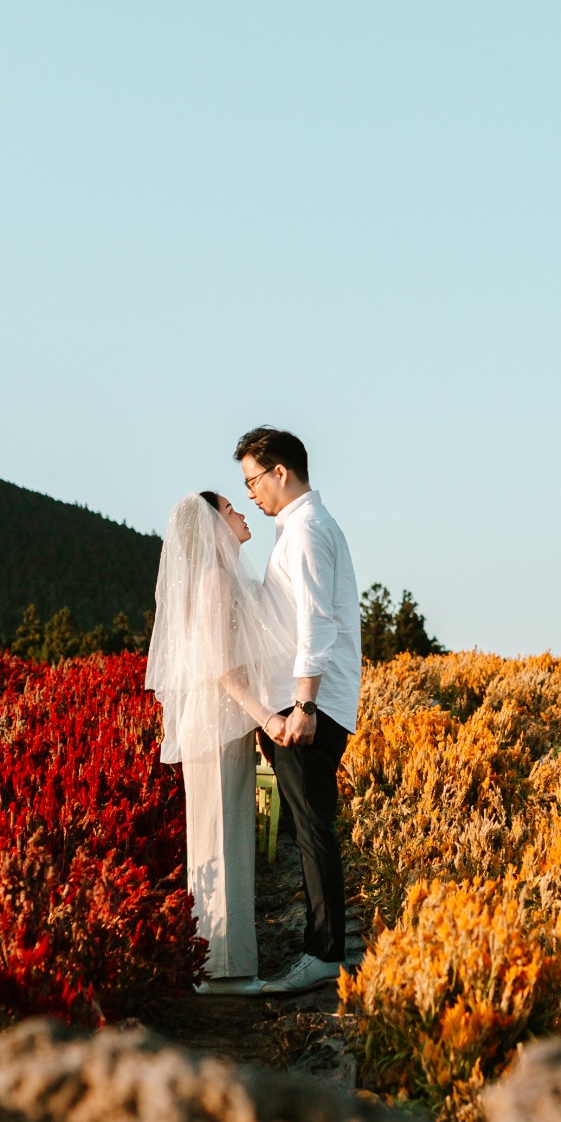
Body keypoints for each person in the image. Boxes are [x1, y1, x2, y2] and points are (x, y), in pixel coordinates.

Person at [144, 488, 286, 994]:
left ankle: (215, 963)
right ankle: (223, 970)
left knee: (219, 832)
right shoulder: (214, 580)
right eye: (230, 509)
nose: (242, 514)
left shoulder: (218, 578)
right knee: (221, 832)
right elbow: (223, 667)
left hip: (221, 724)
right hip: (219, 723)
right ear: (211, 527)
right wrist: (266, 718)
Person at [237, 425, 359, 995]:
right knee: (309, 827)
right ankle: (322, 946)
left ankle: (324, 953)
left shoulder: (307, 531)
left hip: (307, 703)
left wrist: (304, 703)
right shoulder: (300, 529)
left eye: (254, 479)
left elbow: (317, 623)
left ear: (280, 471)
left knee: (312, 828)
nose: (250, 493)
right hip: (300, 701)